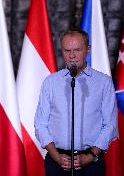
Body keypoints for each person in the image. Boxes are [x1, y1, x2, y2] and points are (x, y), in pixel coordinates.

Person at [34, 29, 118, 176]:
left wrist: (91, 156)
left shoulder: (103, 82)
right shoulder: (51, 82)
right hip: (57, 161)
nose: (72, 56)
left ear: (88, 50)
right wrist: (56, 156)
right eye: (67, 51)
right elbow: (40, 124)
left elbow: (110, 124)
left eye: (77, 50)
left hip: (91, 162)